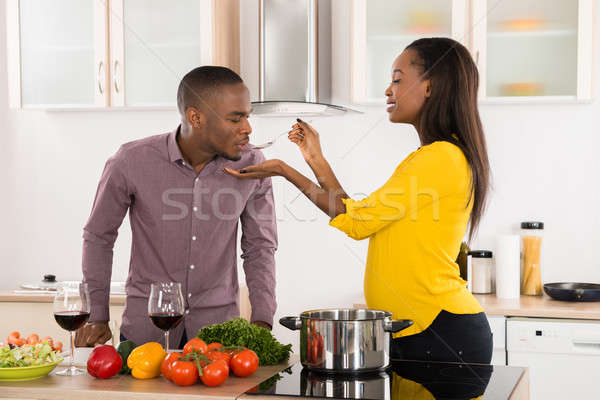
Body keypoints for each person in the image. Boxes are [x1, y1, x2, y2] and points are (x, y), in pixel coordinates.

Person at [225, 38, 493, 364]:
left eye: (397, 79)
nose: (388, 90)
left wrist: (284, 170)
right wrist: (315, 158)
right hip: (427, 330)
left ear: (430, 88)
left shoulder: (437, 159)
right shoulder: (442, 156)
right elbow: (357, 214)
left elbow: (356, 223)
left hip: (438, 332)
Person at [76, 66, 278, 348]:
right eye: (236, 118)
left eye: (247, 116)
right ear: (196, 117)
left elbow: (260, 247)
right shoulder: (131, 161)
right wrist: (97, 316)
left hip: (217, 337)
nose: (247, 128)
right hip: (146, 333)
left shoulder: (253, 164)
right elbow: (99, 236)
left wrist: (262, 320)